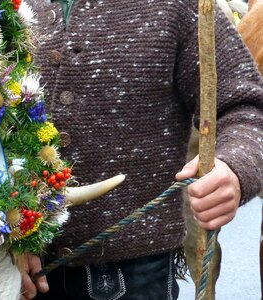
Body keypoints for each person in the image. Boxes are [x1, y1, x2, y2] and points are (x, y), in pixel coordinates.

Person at [20, 0, 263, 299]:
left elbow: (245, 109)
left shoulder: (180, 6)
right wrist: (9, 242)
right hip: (13, 268)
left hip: (131, 276)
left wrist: (235, 168)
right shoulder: (6, 8)